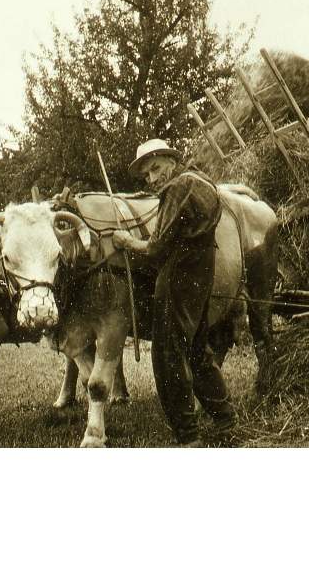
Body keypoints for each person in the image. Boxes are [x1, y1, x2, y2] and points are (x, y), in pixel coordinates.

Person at [111, 139, 238, 446]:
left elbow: (155, 249)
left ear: (170, 160)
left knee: (169, 355)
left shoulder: (177, 188)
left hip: (178, 273)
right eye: (147, 176)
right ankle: (226, 420)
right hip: (203, 267)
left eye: (156, 169)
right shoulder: (203, 180)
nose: (153, 180)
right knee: (196, 351)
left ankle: (188, 435)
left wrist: (126, 242)